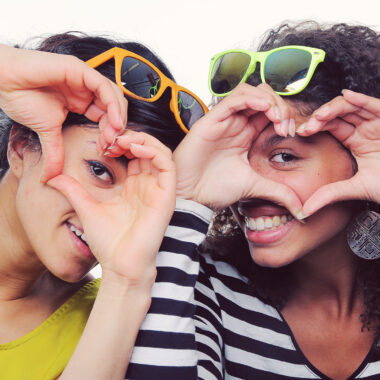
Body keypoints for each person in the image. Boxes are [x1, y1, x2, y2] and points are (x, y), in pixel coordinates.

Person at [124, 21, 379, 380]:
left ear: (361, 159)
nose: (250, 187)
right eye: (241, 159)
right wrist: (182, 197)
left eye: (285, 156)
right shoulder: (195, 284)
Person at [0, 32, 207, 379]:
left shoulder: (112, 324)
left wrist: (127, 282)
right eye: (100, 171)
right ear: (21, 147)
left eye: (137, 199)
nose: (113, 217)